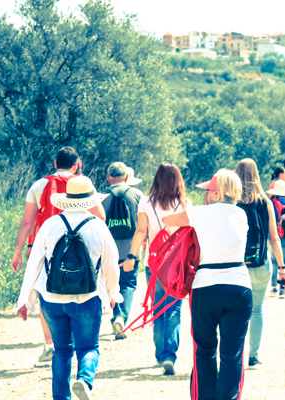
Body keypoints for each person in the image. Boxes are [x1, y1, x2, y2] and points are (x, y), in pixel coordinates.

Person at [162, 169, 285, 400]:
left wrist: (187, 208)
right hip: (238, 286)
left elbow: (167, 220)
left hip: (206, 287)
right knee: (233, 352)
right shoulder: (241, 215)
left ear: (218, 192)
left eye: (209, 190)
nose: (206, 194)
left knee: (204, 349)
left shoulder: (201, 213)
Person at [14, 176, 122, 400]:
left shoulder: (50, 224)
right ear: (90, 201)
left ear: (67, 199)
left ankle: (61, 397)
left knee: (61, 350)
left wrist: (25, 301)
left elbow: (34, 265)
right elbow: (111, 266)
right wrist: (113, 294)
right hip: (87, 298)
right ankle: (84, 380)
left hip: (52, 299)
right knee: (88, 348)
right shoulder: (98, 227)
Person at [10, 146, 106, 363]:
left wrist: (18, 251)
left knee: (46, 293)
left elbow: (27, 221)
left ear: (55, 164)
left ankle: (50, 344)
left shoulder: (38, 185)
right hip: (80, 250)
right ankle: (76, 342)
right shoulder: (83, 184)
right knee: (80, 291)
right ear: (76, 165)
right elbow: (101, 217)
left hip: (46, 249)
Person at [119, 163, 190, 375]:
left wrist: (131, 256)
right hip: (177, 265)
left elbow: (141, 231)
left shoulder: (146, 202)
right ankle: (169, 355)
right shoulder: (185, 204)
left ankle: (160, 355)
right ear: (178, 180)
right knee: (173, 308)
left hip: (155, 264)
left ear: (157, 179)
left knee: (157, 308)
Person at [235, 158, 285, 367]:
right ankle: (253, 355)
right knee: (257, 310)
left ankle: (235, 355)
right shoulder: (265, 202)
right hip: (261, 263)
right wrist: (282, 269)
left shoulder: (233, 202)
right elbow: (274, 238)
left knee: (235, 312)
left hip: (236, 266)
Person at [100, 162, 144, 340]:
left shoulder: (100, 197)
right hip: (131, 251)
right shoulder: (137, 195)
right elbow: (143, 224)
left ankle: (110, 316)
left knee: (108, 284)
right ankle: (120, 317)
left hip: (107, 251)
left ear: (108, 177)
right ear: (126, 177)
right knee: (127, 285)